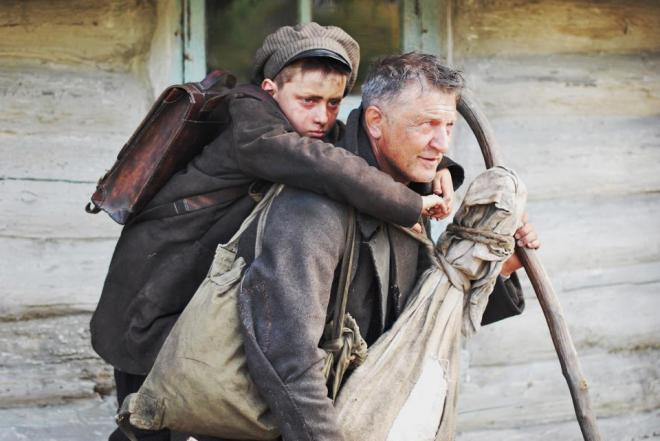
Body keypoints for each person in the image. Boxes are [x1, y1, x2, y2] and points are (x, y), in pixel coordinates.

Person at [90, 23, 463, 441]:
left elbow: (354, 154)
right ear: (270, 90)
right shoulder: (252, 125)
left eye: (334, 103)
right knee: (153, 415)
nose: (322, 116)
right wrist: (410, 202)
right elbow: (328, 165)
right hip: (156, 295)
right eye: (309, 100)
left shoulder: (309, 130)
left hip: (199, 300)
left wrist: (438, 169)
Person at [234, 52, 539, 441]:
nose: (441, 143)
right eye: (426, 124)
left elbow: (422, 322)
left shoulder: (412, 197)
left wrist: (504, 267)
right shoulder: (314, 209)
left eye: (448, 125)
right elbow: (287, 361)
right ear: (376, 122)